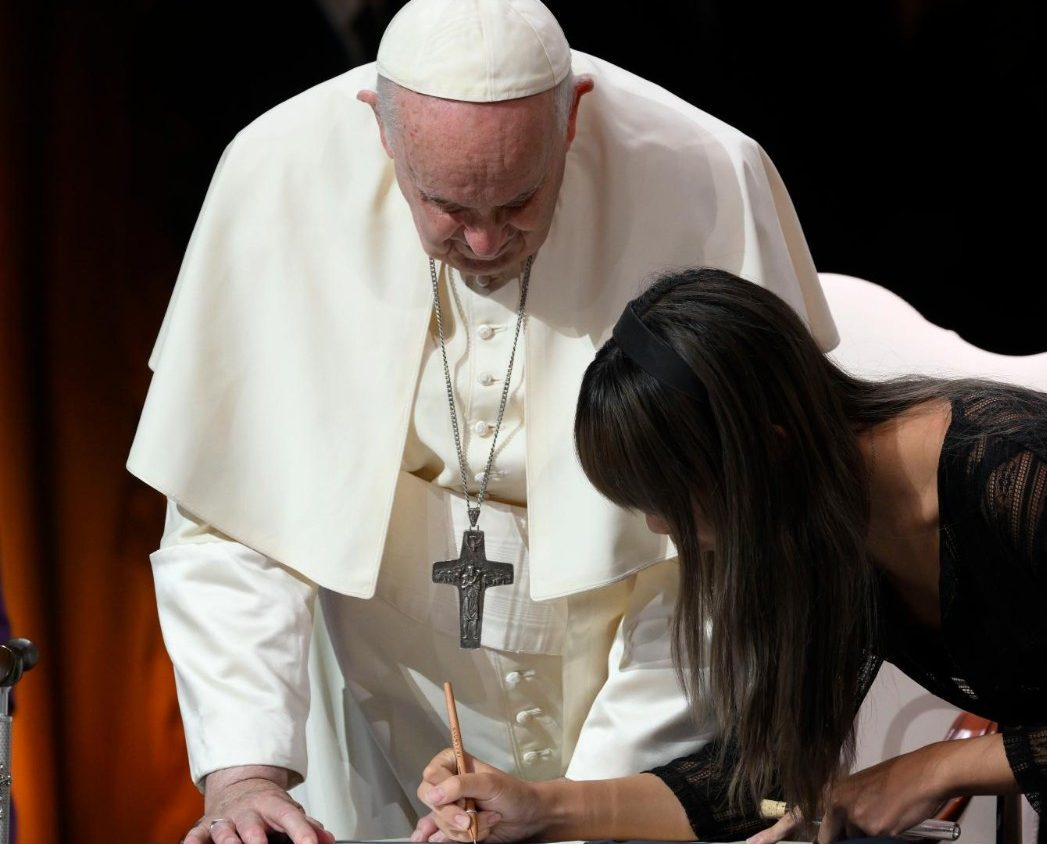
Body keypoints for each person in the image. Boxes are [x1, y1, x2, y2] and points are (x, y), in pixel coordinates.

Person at [126, 0, 839, 841]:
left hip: (649, 672)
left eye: (521, 199)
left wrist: (590, 807)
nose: (485, 239)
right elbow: (231, 513)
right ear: (381, 131)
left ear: (574, 112)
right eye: (446, 205)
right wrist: (244, 774)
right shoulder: (275, 169)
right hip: (378, 682)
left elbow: (730, 541)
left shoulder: (708, 172)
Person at [412, 268, 1047, 843]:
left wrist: (936, 766)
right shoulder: (823, 531)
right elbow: (770, 775)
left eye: (679, 504)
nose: (680, 538)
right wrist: (544, 805)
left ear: (762, 446)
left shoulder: (1024, 471)